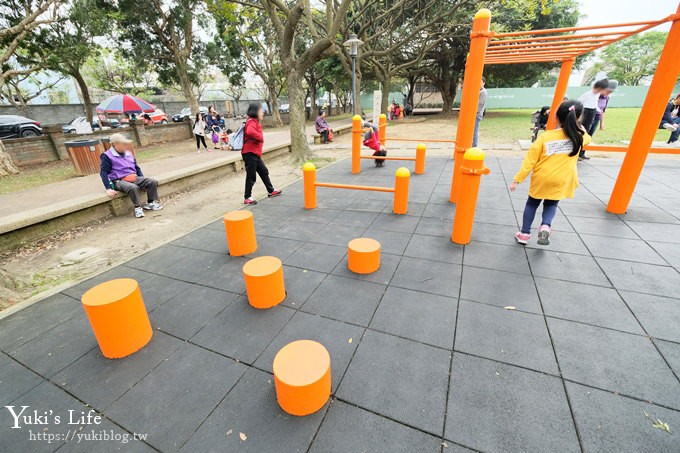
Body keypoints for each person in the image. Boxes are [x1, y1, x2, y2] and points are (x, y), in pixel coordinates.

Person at [510, 100, 591, 246]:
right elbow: (588, 138)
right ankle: (546, 226)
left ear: (556, 117)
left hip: (542, 177)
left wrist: (518, 179)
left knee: (532, 204)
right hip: (563, 178)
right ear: (578, 118)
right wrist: (580, 126)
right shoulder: (580, 136)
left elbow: (530, 161)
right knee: (551, 204)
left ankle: (524, 234)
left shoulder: (545, 137)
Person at [100, 133, 163, 218]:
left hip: (133, 177)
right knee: (133, 187)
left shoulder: (128, 153)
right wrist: (108, 188)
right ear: (115, 144)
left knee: (152, 181)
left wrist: (142, 179)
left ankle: (150, 203)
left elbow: (137, 168)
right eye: (124, 144)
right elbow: (103, 172)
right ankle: (138, 208)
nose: (126, 146)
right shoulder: (107, 156)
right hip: (119, 181)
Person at [242, 103, 282, 205]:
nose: (263, 112)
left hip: (254, 153)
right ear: (255, 112)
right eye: (261, 111)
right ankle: (247, 197)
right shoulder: (251, 121)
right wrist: (260, 137)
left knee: (264, 171)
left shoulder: (255, 121)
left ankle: (270, 190)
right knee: (251, 176)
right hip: (250, 153)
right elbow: (250, 132)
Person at [577, 78, 609, 159]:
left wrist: (598, 110)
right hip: (585, 111)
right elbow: (578, 102)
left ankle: (582, 152)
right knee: (581, 132)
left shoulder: (597, 95)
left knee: (588, 133)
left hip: (593, 112)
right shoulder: (587, 94)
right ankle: (576, 153)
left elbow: (594, 104)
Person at [472, 76, 487, 147]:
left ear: (484, 83)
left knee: (475, 131)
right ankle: (472, 144)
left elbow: (479, 105)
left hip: (477, 114)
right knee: (472, 130)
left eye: (480, 82)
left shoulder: (483, 92)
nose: (479, 84)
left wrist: (473, 112)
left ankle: (474, 145)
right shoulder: (478, 90)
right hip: (475, 114)